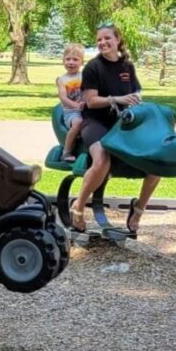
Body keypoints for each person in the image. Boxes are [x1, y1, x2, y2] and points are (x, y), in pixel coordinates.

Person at [70, 23, 156, 234]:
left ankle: (138, 208)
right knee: (102, 158)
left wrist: (137, 100)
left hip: (122, 123)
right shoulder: (93, 67)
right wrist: (117, 99)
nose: (102, 42)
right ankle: (78, 205)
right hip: (95, 122)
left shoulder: (127, 66)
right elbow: (90, 102)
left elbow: (136, 92)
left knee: (157, 161)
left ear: (118, 40)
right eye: (99, 39)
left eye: (107, 38)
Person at [56, 43, 85, 162]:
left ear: (81, 62)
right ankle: (66, 151)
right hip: (71, 112)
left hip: (86, 109)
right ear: (63, 61)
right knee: (78, 122)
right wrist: (76, 106)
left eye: (75, 59)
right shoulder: (62, 79)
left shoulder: (84, 76)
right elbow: (63, 98)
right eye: (68, 59)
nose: (71, 62)